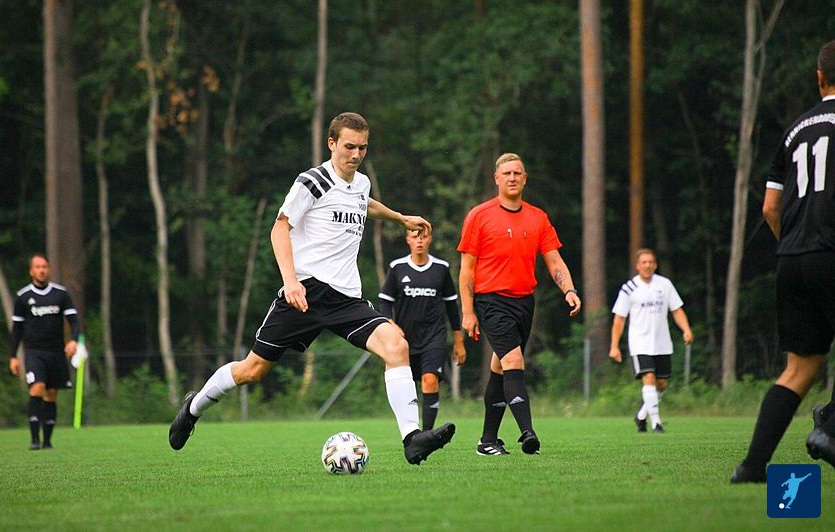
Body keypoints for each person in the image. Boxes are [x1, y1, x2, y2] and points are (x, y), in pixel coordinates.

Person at [169, 112, 456, 464]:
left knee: (396, 345)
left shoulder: (361, 183)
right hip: (305, 293)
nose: (356, 154)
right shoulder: (312, 181)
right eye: (349, 146)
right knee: (252, 371)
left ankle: (412, 439)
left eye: (363, 147)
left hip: (346, 299)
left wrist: (400, 218)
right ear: (331, 143)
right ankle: (193, 408)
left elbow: (363, 202)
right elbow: (280, 228)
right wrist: (290, 281)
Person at [731, 40, 835, 483]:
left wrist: (794, 244)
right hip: (831, 251)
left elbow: (770, 207)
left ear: (819, 77)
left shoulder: (795, 130)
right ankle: (828, 429)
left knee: (799, 368)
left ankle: (752, 467)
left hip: (792, 257)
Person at [458, 152, 581, 456]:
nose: (512, 178)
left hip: (524, 302)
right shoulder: (479, 215)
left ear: (525, 179)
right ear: (496, 179)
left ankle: (487, 441)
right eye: (507, 173)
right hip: (491, 300)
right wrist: (468, 311)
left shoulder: (538, 217)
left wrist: (569, 289)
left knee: (500, 366)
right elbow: (467, 269)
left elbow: (554, 260)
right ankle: (528, 433)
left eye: (517, 173)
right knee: (513, 361)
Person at [378, 229, 467, 431]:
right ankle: (411, 430)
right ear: (408, 240)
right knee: (406, 387)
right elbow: (385, 302)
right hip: (405, 340)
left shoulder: (441, 268)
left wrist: (459, 340)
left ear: (429, 239)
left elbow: (451, 306)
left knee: (430, 380)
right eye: (414, 236)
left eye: (423, 236)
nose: (419, 240)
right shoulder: (397, 267)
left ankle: (427, 434)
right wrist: (391, 324)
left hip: (434, 337)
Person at [608, 248, 693, 434]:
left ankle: (641, 415)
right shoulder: (629, 288)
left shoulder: (665, 284)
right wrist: (614, 346)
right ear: (637, 266)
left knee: (661, 384)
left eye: (650, 262)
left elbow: (676, 309)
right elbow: (619, 319)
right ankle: (656, 423)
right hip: (640, 342)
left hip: (662, 342)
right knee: (648, 377)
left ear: (655, 265)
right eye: (644, 262)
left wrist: (686, 329)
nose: (647, 265)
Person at [9, 254, 79, 450]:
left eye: (44, 267)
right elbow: (16, 330)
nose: (41, 270)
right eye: (37, 267)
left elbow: (74, 321)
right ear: (31, 271)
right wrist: (13, 356)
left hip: (56, 352)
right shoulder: (23, 297)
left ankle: (47, 441)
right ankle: (34, 439)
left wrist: (73, 340)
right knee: (37, 388)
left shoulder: (60, 294)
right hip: (34, 352)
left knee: (51, 393)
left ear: (48, 270)